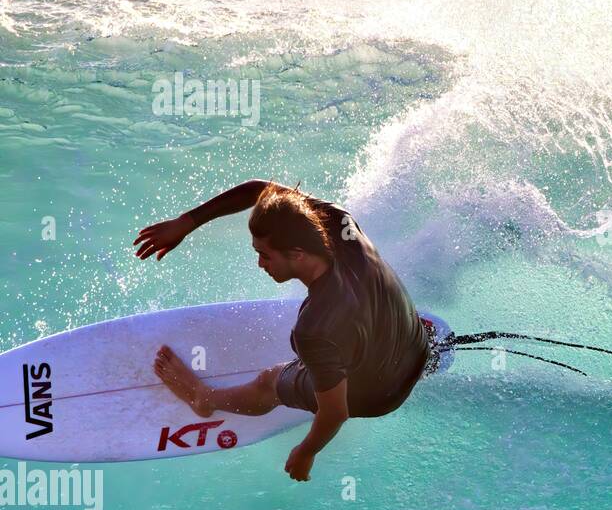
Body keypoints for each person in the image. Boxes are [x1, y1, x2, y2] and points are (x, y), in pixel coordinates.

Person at [133, 180, 430, 482]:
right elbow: (260, 190)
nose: (260, 263)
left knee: (269, 381)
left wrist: (307, 451)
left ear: (297, 254)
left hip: (380, 395)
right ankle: (397, 333)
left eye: (265, 254)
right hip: (416, 347)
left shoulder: (314, 328)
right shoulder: (339, 221)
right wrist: (187, 223)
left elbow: (335, 412)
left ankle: (203, 399)